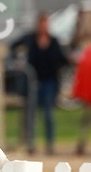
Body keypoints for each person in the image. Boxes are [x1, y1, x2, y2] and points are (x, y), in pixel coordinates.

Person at [11, 12, 69, 154]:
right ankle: (30, 143)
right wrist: (17, 61)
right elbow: (13, 46)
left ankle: (50, 144)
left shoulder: (54, 41)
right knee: (31, 114)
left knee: (49, 114)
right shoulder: (30, 39)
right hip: (33, 83)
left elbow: (62, 60)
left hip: (49, 83)